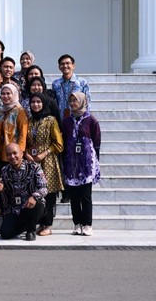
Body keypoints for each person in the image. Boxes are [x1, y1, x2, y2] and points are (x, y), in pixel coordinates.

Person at [25, 93, 64, 236]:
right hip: (32, 161)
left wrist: (44, 153)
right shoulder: (28, 121)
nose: (35, 105)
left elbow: (59, 144)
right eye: (33, 102)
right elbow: (25, 141)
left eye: (38, 102)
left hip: (47, 162)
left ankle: (48, 224)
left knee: (48, 193)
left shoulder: (51, 120)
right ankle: (39, 222)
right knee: (35, 191)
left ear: (44, 104)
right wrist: (26, 154)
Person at [62, 92, 101, 236]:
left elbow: (96, 143)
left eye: (75, 100)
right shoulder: (66, 121)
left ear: (82, 101)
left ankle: (87, 224)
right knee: (74, 196)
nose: (73, 103)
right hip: (71, 163)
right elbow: (64, 141)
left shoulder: (91, 120)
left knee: (85, 196)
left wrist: (95, 164)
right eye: (71, 100)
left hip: (86, 163)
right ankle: (77, 224)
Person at [0, 143, 48, 241]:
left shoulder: (34, 167)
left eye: (15, 153)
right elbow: (5, 195)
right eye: (8, 154)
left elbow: (44, 187)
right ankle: (25, 225)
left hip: (31, 206)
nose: (12, 157)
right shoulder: (5, 170)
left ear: (21, 153)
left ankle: (31, 230)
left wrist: (34, 196)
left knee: (36, 205)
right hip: (15, 209)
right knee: (5, 233)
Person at [51, 54, 91, 121]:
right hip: (61, 119)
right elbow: (54, 103)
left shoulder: (82, 82)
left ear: (73, 66)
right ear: (59, 67)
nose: (65, 66)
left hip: (78, 119)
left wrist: (85, 119)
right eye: (62, 64)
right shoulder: (56, 84)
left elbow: (87, 102)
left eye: (67, 63)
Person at [0, 84, 28, 164]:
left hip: (14, 155)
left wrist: (20, 152)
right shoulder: (0, 112)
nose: (5, 96)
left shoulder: (20, 111)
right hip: (1, 152)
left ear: (14, 94)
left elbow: (23, 133)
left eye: (8, 93)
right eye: (3, 94)